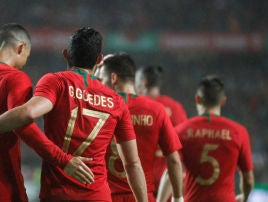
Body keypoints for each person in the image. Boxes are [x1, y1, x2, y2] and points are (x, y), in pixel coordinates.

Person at [0, 27, 148, 201]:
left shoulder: (56, 82)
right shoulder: (116, 101)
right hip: (97, 195)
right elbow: (132, 163)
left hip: (57, 194)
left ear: (65, 54)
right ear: (99, 60)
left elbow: (26, 113)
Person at [0, 23, 94, 202]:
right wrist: (63, 160)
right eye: (26, 58)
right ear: (21, 47)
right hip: (2, 190)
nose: (23, 64)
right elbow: (24, 128)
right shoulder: (15, 78)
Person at [95, 53, 184, 202]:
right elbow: (174, 160)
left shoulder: (98, 107)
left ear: (113, 78)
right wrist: (177, 197)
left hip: (105, 197)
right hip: (143, 197)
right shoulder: (156, 110)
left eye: (101, 79)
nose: (99, 84)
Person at [159, 75, 254, 202]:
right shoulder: (239, 132)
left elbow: (171, 170)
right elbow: (248, 179)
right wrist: (244, 196)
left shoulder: (181, 131)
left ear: (198, 99)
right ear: (223, 101)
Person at [135, 65, 188, 196]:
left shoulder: (135, 106)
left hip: (141, 180)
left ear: (143, 83)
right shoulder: (176, 108)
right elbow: (183, 147)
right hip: (169, 180)